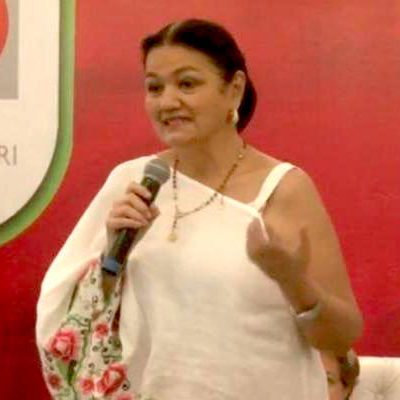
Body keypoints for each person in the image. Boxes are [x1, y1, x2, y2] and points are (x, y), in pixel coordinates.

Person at [36, 19, 363, 400]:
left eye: (187, 84)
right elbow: (76, 324)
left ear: (234, 89)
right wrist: (113, 256)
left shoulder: (284, 189)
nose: (167, 102)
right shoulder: (133, 181)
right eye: (154, 87)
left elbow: (341, 336)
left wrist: (293, 281)